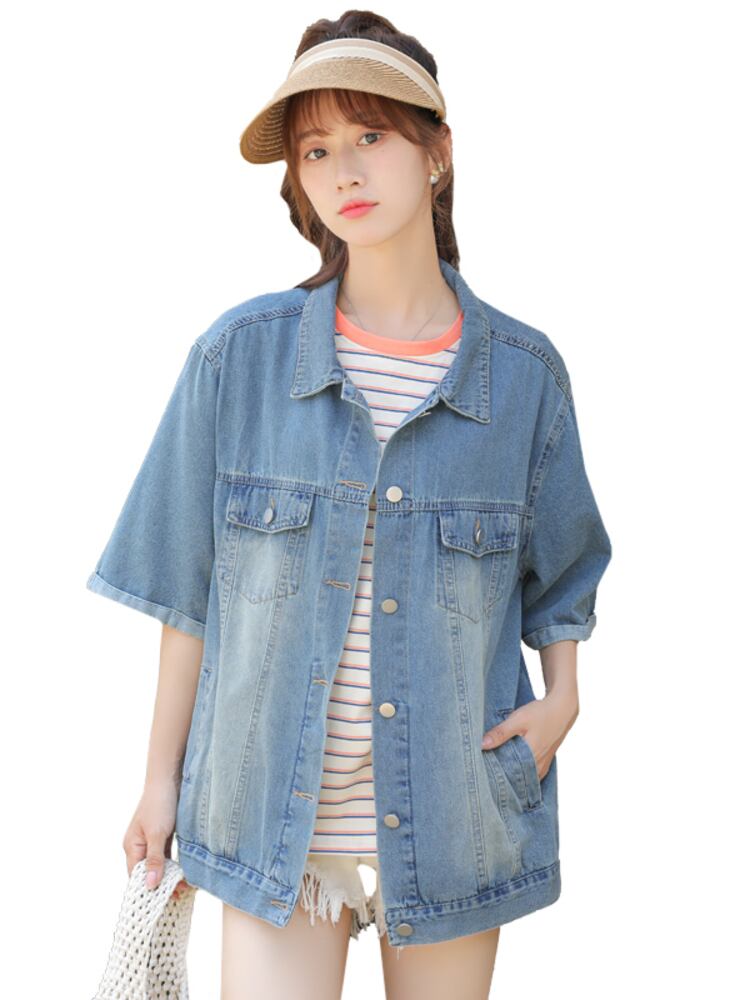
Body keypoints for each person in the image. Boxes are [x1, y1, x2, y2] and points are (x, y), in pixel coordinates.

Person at [85, 10, 613, 1000]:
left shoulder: (523, 378)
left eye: (371, 134)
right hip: (270, 821)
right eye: (317, 149)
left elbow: (564, 575)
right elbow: (186, 595)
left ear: (438, 150)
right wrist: (157, 783)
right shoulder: (239, 360)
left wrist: (565, 699)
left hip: (454, 815)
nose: (344, 171)